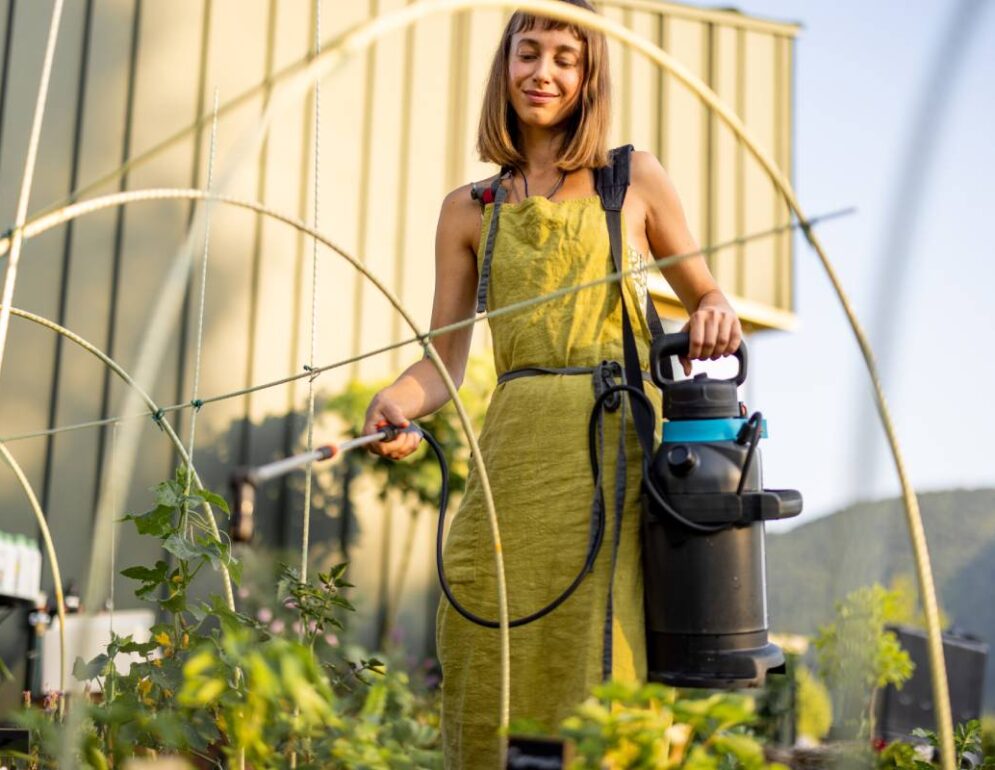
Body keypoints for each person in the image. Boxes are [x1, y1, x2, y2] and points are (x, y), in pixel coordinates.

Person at [363, 0, 742, 764]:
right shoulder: (468, 211)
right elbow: (441, 363)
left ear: (588, 74)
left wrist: (711, 311)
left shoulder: (632, 179)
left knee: (603, 648)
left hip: (609, 452)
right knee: (478, 618)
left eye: (565, 58)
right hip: (511, 455)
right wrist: (393, 405)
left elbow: (706, 294)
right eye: (528, 52)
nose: (543, 73)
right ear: (504, 66)